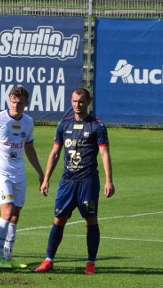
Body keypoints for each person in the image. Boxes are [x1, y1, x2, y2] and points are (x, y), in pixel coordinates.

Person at [36, 88, 115, 275]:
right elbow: (55, 153)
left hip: (87, 181)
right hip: (67, 181)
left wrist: (108, 180)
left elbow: (104, 154)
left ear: (88, 102)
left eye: (80, 101)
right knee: (59, 218)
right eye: (74, 101)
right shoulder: (64, 125)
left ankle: (90, 263)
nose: (76, 105)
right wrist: (46, 178)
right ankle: (49, 260)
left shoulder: (97, 126)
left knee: (90, 219)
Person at [0, 86, 44, 269]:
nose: (16, 105)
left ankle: (8, 256)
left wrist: (40, 172)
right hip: (1, 172)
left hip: (19, 173)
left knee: (15, 216)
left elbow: (29, 148)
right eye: (13, 101)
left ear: (26, 104)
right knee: (6, 212)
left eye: (20, 103)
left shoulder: (28, 122)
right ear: (9, 101)